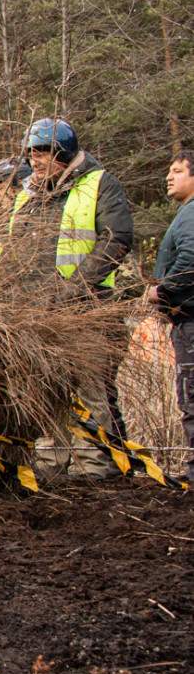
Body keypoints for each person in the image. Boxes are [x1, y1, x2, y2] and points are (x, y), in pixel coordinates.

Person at [7, 118, 133, 479]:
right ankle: (50, 467)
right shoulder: (27, 196)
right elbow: (9, 250)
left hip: (86, 309)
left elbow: (116, 240)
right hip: (34, 312)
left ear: (63, 152)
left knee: (93, 391)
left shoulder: (99, 183)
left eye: (42, 152)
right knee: (46, 391)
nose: (34, 160)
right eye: (31, 152)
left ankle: (98, 468)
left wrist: (72, 290)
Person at [147, 151, 194, 482]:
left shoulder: (191, 214)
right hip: (185, 320)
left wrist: (162, 291)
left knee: (191, 396)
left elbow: (191, 259)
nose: (169, 176)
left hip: (190, 321)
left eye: (177, 171)